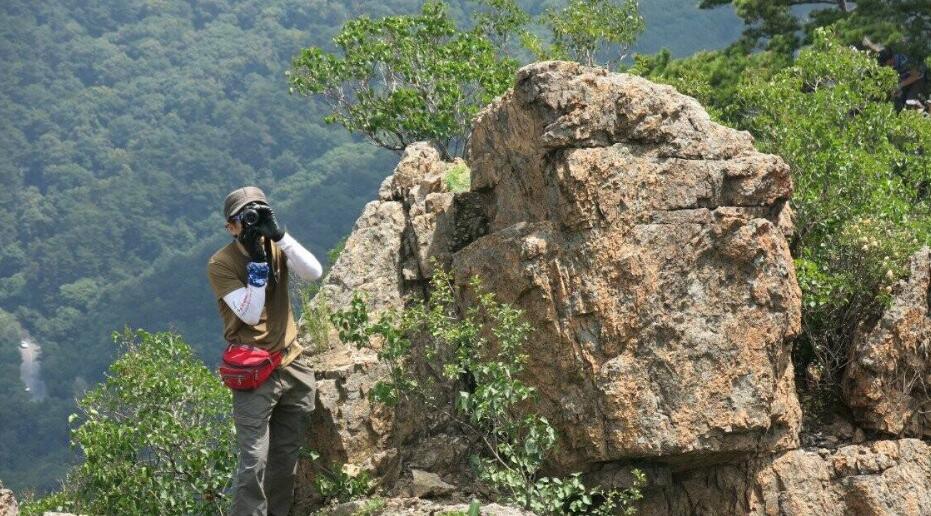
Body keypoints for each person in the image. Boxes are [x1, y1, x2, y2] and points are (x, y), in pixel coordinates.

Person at [207, 186, 323, 516]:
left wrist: (280, 235)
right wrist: (257, 265)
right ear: (231, 226)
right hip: (254, 371)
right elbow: (247, 312)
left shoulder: (276, 245)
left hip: (292, 361)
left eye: (259, 210)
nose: (252, 219)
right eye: (246, 216)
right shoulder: (221, 263)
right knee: (253, 461)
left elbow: (313, 273)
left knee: (285, 458)